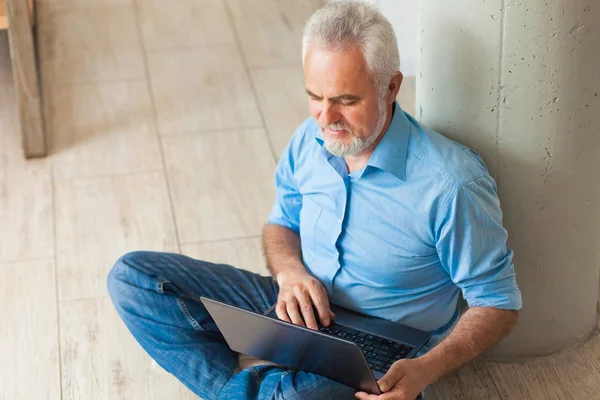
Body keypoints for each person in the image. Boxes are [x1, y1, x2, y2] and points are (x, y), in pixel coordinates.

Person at [107, 2, 522, 399]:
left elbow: (498, 304)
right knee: (132, 279)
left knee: (306, 394)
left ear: (391, 85)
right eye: (315, 97)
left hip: (386, 343)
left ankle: (266, 384)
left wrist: (425, 369)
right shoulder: (309, 139)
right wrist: (290, 274)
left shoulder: (452, 185)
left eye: (346, 100)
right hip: (297, 303)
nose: (326, 119)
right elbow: (281, 224)